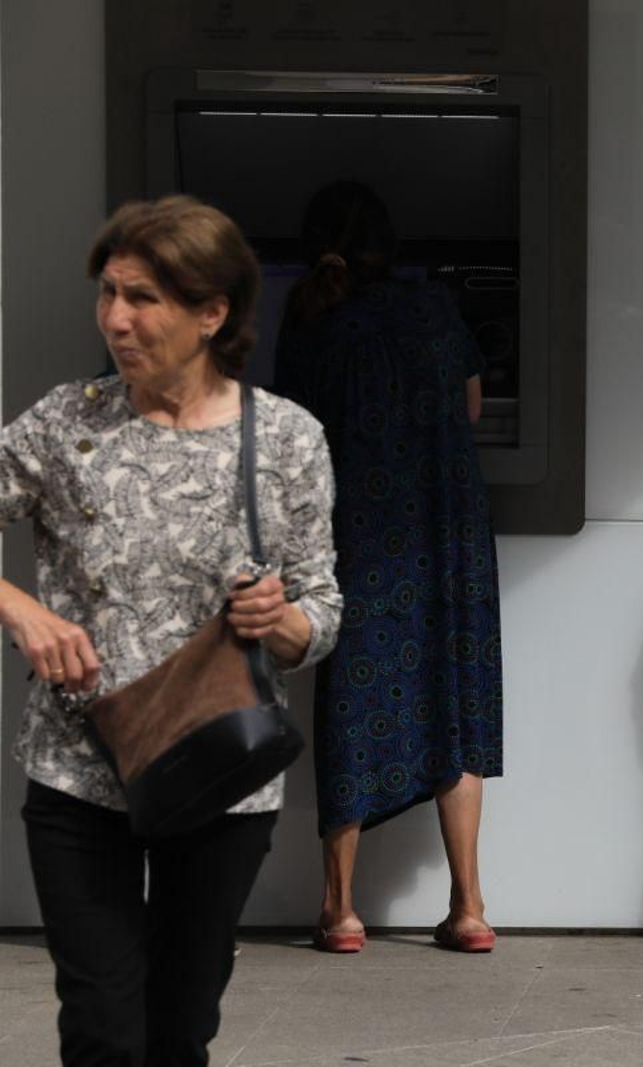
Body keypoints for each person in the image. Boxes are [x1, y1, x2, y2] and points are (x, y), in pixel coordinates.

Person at [0, 195, 342, 1064]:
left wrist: (283, 619)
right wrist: (20, 606)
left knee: (180, 1028)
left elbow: (322, 611)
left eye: (143, 297)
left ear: (211, 312)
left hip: (219, 768)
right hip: (78, 768)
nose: (115, 318)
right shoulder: (66, 423)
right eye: (108, 293)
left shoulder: (287, 438)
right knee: (102, 1028)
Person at [273, 181, 503, 955]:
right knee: (456, 700)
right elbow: (472, 408)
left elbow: (292, 435)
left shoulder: (311, 318)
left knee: (351, 695)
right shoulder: (435, 307)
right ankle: (468, 906)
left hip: (360, 533)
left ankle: (339, 909)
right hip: (447, 531)